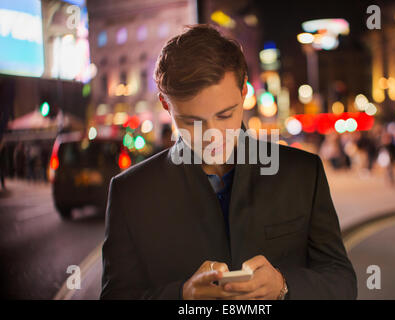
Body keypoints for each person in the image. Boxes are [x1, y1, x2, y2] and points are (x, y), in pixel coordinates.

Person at [100, 24, 356, 300]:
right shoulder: (131, 193)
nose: (213, 136)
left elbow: (342, 283)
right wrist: (181, 296)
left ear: (244, 92)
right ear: (165, 104)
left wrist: (284, 286)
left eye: (225, 115)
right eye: (193, 122)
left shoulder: (304, 173)